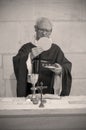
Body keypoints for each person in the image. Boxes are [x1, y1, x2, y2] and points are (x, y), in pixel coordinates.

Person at [13, 17, 72, 97]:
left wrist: (60, 69)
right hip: (30, 93)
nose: (44, 33)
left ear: (51, 32)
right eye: (42, 30)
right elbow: (17, 62)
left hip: (49, 94)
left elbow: (67, 65)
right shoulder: (27, 47)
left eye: (47, 31)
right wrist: (29, 57)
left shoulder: (55, 49)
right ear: (35, 29)